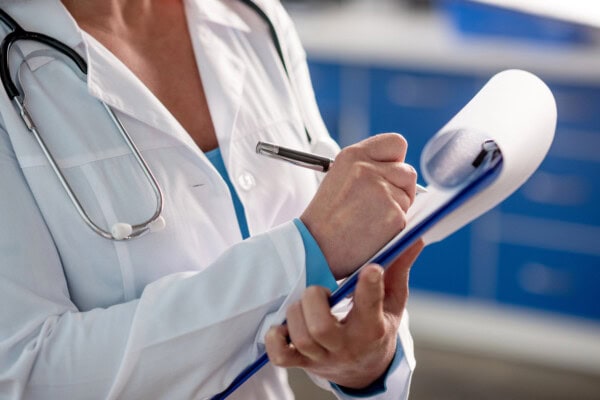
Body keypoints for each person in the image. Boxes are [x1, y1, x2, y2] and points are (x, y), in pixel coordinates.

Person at [0, 0, 423, 399]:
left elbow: (334, 235)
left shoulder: (253, 14)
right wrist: (302, 253)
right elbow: (26, 372)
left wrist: (366, 359)